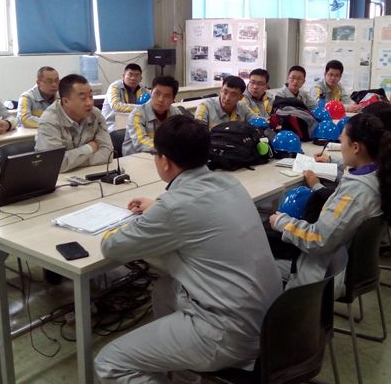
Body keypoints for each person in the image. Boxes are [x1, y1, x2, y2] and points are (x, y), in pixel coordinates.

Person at [95, 116, 281, 382]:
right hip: (269, 320)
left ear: (165, 161)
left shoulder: (173, 207)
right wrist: (159, 208)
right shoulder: (229, 183)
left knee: (109, 362)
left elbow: (112, 247)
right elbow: (189, 212)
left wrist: (131, 222)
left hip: (228, 333)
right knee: (164, 289)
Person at [269, 113, 391, 291]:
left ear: (356, 147)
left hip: (324, 273)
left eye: (342, 138)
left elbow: (318, 239)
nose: (339, 139)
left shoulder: (356, 192)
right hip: (348, 263)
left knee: (259, 264)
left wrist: (282, 222)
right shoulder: (381, 174)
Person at [36, 74, 113, 172]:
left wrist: (72, 163)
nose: (89, 103)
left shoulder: (95, 114)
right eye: (83, 98)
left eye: (91, 96)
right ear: (65, 101)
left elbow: (108, 154)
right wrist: (89, 148)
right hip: (58, 178)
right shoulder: (49, 120)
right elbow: (54, 163)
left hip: (87, 173)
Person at [122, 75, 181, 156]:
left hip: (164, 156)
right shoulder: (137, 114)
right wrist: (168, 149)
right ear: (151, 93)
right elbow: (141, 142)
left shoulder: (176, 113)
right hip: (136, 158)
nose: (161, 99)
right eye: (157, 93)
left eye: (167, 96)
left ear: (173, 99)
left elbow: (184, 136)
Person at [102, 63, 148, 132]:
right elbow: (116, 106)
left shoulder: (143, 89)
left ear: (141, 78)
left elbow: (151, 104)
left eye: (136, 75)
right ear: (123, 76)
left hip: (132, 124)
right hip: (113, 125)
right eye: (130, 75)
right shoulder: (114, 87)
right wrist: (141, 108)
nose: (133, 78)